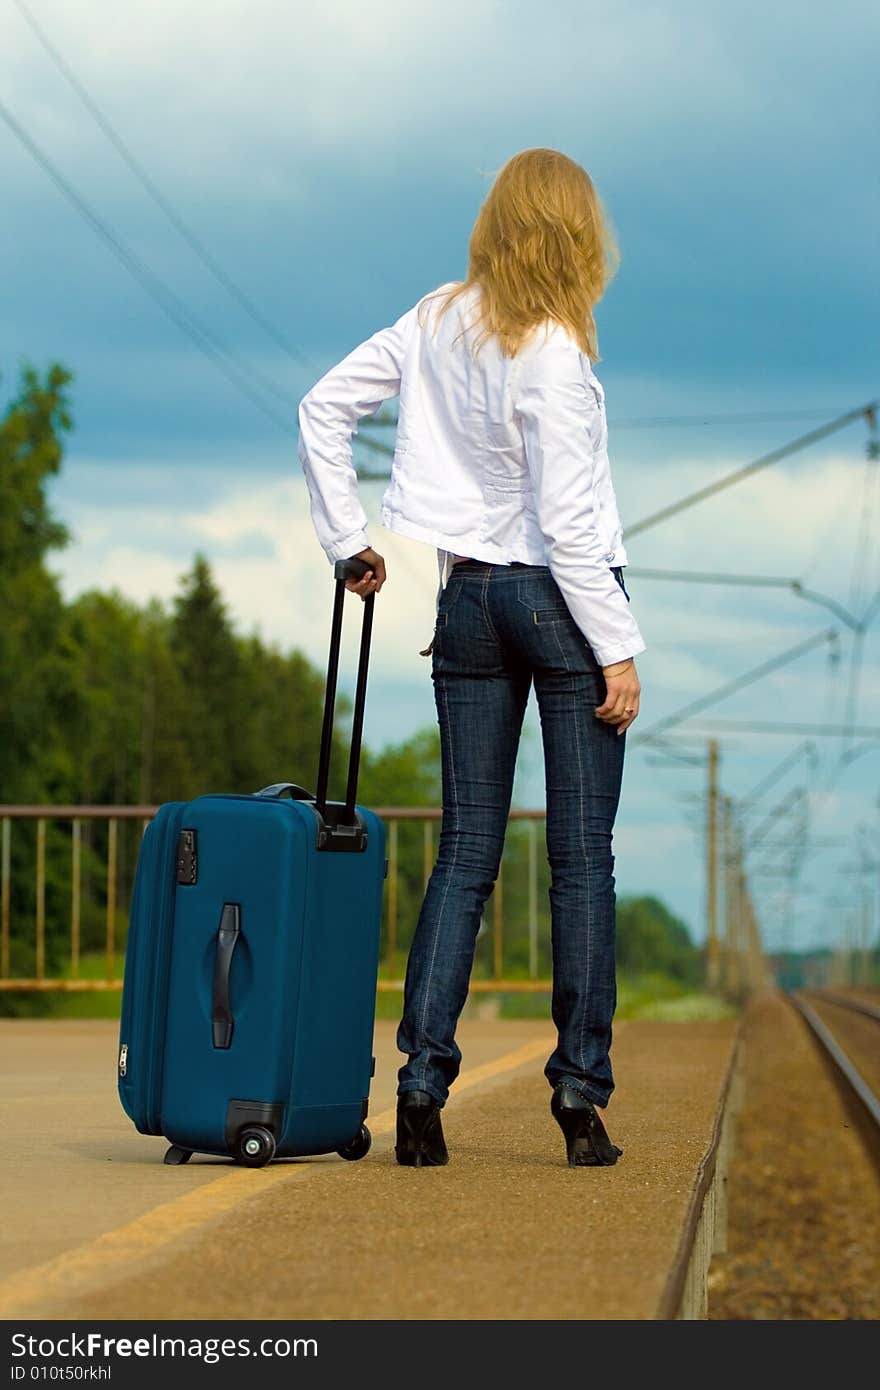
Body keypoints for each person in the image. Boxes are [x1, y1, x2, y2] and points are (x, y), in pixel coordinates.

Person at [297, 147, 646, 1169]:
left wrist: (346, 538)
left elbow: (323, 405)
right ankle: (579, 1097)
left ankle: (417, 1082)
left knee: (465, 853)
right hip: (560, 602)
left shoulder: (433, 318)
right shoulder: (554, 354)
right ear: (576, 235)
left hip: (466, 602)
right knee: (581, 862)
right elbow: (571, 531)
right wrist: (617, 650)